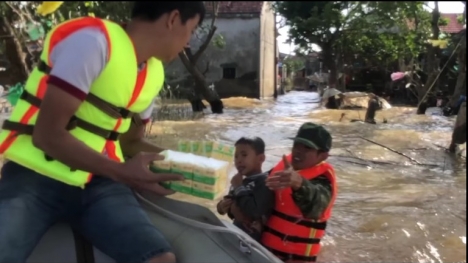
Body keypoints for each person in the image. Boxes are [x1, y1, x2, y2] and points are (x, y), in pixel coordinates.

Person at [0, 2, 205, 263]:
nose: (189, 43)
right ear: (174, 18)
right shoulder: (93, 43)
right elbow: (47, 135)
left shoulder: (153, 74)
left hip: (100, 185)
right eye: (192, 29)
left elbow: (130, 143)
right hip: (35, 178)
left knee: (160, 259)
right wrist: (122, 172)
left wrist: (188, 167)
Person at [262, 122, 337, 263]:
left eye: (307, 148)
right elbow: (257, 186)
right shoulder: (283, 168)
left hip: (297, 259)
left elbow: (317, 206)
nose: (298, 151)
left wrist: (299, 183)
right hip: (265, 253)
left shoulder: (323, 182)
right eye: (296, 145)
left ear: (323, 155)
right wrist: (230, 200)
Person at [216, 137, 274, 242]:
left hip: (253, 244)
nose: (238, 160)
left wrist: (239, 187)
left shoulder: (264, 182)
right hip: (237, 235)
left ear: (260, 159)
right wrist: (222, 206)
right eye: (236, 156)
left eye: (244, 155)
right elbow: (231, 203)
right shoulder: (240, 181)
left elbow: (254, 211)